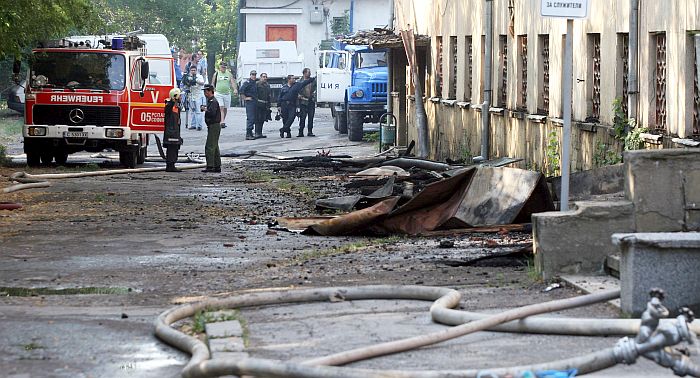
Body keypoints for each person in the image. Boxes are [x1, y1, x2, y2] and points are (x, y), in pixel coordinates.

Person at [277, 74, 316, 138]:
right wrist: (278, 105)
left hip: (292, 104)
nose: (294, 80)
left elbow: (305, 82)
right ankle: (288, 133)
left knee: (291, 118)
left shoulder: (297, 85)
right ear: (289, 80)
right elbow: (279, 96)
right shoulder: (284, 87)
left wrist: (312, 79)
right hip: (284, 104)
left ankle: (283, 129)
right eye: (293, 78)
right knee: (285, 119)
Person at [202, 84, 222, 173]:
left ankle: (210, 166)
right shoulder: (210, 100)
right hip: (213, 125)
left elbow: (212, 113)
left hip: (214, 125)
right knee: (215, 146)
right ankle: (217, 166)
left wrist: (206, 110)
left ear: (210, 91)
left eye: (206, 91)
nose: (205, 93)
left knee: (209, 146)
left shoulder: (213, 101)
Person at [163, 88, 183, 172]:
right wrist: (173, 100)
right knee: (171, 150)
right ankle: (170, 166)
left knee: (174, 150)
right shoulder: (169, 106)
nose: (181, 97)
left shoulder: (176, 107)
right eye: (180, 96)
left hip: (175, 132)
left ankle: (172, 165)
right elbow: (167, 110)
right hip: (171, 133)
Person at [181, 65, 205, 130]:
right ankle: (193, 124)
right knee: (192, 111)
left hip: (198, 95)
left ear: (196, 70)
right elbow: (185, 84)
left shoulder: (199, 76)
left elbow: (202, 83)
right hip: (191, 95)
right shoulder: (188, 77)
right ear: (190, 71)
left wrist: (195, 80)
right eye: (192, 70)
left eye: (194, 70)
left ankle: (199, 125)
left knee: (198, 110)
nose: (193, 71)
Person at [211, 61, 234, 129]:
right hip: (218, 93)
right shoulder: (216, 73)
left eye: (224, 67)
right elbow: (212, 82)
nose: (223, 68)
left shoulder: (229, 74)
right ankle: (222, 122)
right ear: (220, 67)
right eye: (222, 67)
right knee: (221, 107)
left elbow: (232, 82)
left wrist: (235, 89)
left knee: (225, 108)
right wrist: (213, 89)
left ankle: (222, 120)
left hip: (227, 93)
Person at [297, 67, 317, 137]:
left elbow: (317, 89)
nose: (310, 73)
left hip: (311, 101)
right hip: (303, 102)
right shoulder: (300, 82)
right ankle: (300, 132)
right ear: (304, 73)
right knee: (302, 117)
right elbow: (296, 91)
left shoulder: (313, 81)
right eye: (309, 72)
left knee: (311, 117)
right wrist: (299, 96)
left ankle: (310, 131)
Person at [238, 70, 258, 140]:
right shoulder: (247, 82)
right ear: (250, 75)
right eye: (252, 74)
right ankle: (248, 134)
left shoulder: (255, 83)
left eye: (255, 74)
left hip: (255, 102)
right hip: (250, 102)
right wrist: (245, 98)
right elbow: (241, 91)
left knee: (254, 118)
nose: (254, 76)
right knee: (251, 117)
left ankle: (251, 133)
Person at [254, 72, 272, 139]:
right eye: (263, 77)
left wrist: (269, 105)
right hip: (258, 104)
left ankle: (260, 133)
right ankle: (256, 133)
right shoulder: (257, 84)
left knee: (262, 119)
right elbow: (254, 94)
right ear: (260, 77)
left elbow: (269, 96)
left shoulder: (267, 85)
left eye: (265, 77)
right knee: (257, 119)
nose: (265, 78)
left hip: (265, 104)